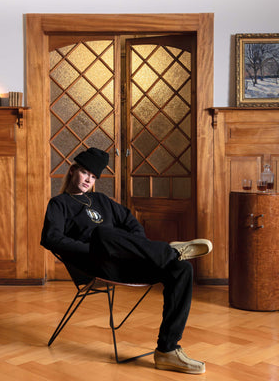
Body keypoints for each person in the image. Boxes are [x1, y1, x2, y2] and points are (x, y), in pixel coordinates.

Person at [41, 147, 212, 374]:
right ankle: (169, 250)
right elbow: (51, 238)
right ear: (73, 171)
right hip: (96, 265)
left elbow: (131, 223)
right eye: (85, 173)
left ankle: (167, 350)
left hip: (127, 263)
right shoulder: (59, 204)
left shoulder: (101, 199)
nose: (88, 180)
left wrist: (138, 250)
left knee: (182, 269)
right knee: (102, 234)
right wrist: (90, 248)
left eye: (93, 177)